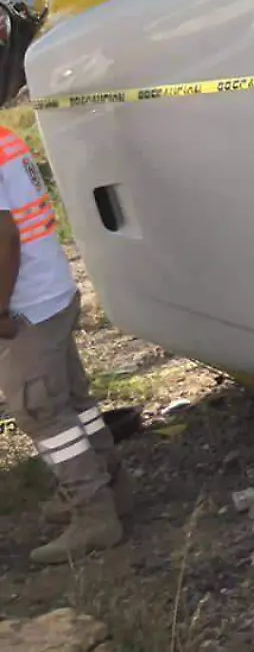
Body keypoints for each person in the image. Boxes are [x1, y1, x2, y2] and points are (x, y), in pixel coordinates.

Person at [0, 127, 125, 563]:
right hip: (50, 290)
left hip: (25, 306)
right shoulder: (3, 137)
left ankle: (93, 512)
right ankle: (102, 474)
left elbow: (4, 237)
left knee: (40, 411)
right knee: (72, 399)